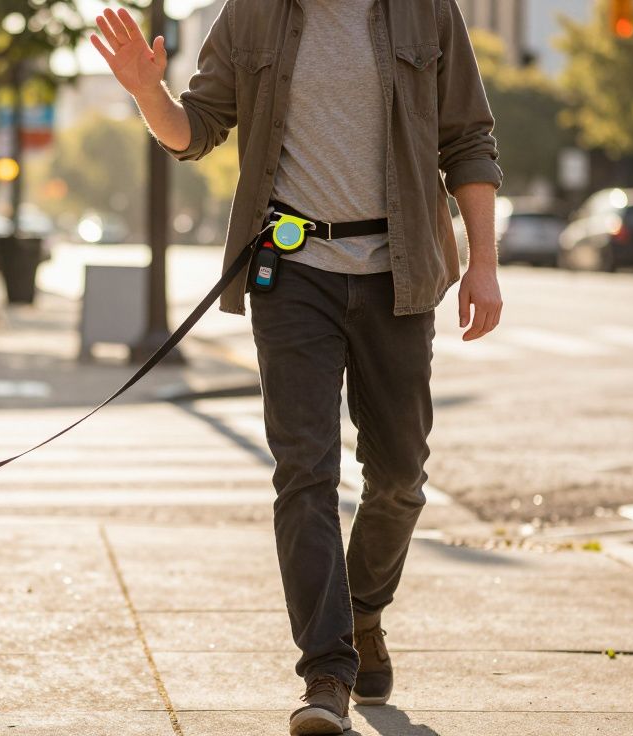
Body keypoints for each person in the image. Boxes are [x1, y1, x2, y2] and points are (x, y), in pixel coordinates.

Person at [92, 3, 502, 733]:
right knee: (305, 474)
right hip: (291, 270)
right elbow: (197, 131)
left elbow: (468, 138)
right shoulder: (253, 12)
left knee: (401, 478)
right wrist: (145, 94)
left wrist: (483, 266)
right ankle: (326, 674)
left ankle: (363, 610)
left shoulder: (423, 9)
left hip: (401, 271)